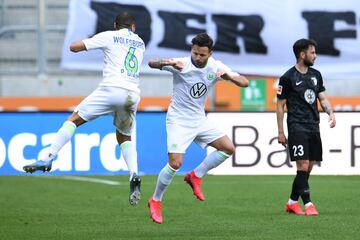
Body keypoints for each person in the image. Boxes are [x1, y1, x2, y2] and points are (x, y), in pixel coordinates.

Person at [23, 12, 145, 206]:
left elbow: (74, 47)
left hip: (111, 89)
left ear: (116, 25)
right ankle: (134, 173)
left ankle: (48, 157)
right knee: (124, 136)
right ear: (134, 27)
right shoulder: (140, 42)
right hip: (132, 95)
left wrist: (90, 40)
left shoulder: (109, 35)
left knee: (74, 119)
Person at [147, 32, 249, 224]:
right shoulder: (182, 64)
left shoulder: (216, 66)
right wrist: (166, 64)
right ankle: (155, 200)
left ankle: (195, 175)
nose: (198, 58)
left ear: (210, 53)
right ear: (191, 51)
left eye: (202, 54)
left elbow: (245, 82)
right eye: (195, 53)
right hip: (178, 119)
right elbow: (151, 63)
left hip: (199, 119)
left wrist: (229, 77)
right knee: (175, 163)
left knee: (228, 148)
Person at [276, 38, 336, 216]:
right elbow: (280, 105)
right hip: (296, 126)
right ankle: (309, 204)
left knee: (308, 167)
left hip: (313, 126)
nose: (315, 56)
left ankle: (292, 202)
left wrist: (330, 113)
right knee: (302, 165)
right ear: (302, 55)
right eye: (312, 52)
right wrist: (281, 132)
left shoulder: (316, 75)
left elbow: (322, 98)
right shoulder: (287, 78)